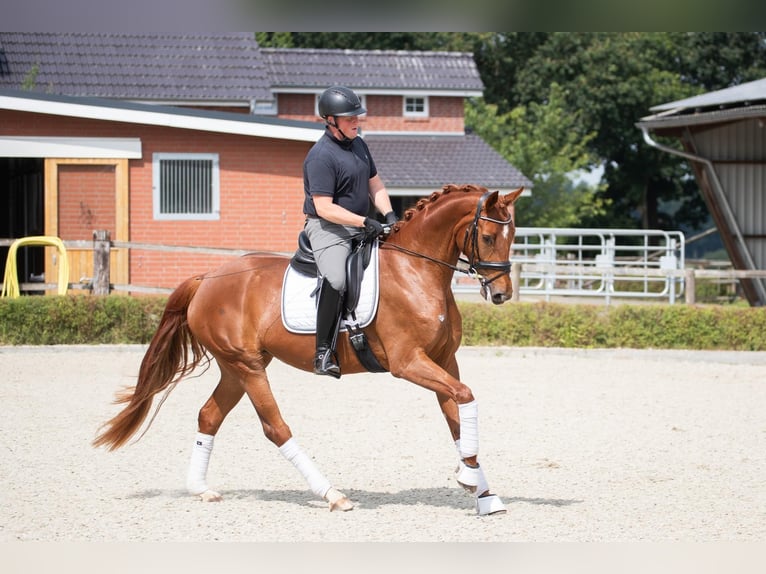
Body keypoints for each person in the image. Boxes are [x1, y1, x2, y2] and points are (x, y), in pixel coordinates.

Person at [302, 85, 398, 378]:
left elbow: (375, 185)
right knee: (337, 277)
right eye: (349, 117)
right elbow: (323, 207)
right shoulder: (320, 156)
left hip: (359, 224)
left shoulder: (359, 144)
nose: (356, 121)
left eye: (357, 115)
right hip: (328, 227)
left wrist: (390, 215)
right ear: (330, 120)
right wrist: (362, 221)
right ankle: (323, 352)